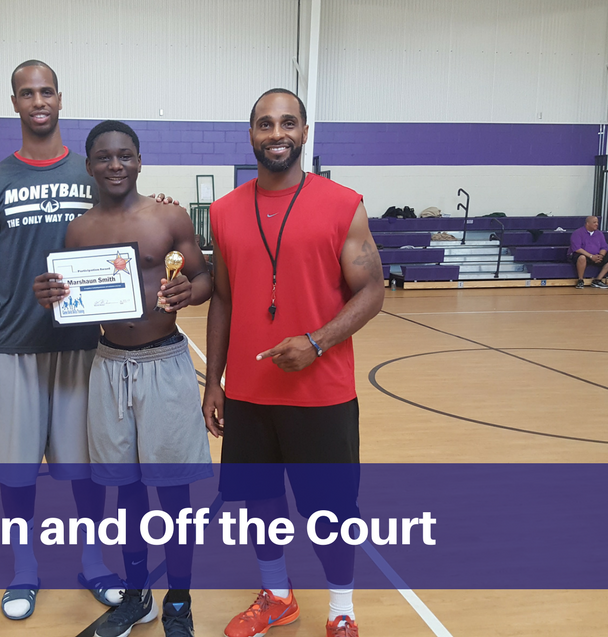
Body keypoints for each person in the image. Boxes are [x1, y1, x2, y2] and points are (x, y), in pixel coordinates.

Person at [0, 60, 175, 621]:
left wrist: (156, 207)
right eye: (26, 93)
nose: (38, 101)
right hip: (12, 347)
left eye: (46, 91)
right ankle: (24, 569)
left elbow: (132, 223)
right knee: (16, 474)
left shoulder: (93, 177)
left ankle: (92, 562)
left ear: (60, 98)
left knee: (87, 469)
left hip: (85, 348)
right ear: (14, 102)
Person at [203, 88, 385, 637]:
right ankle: (277, 597)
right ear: (251, 134)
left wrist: (317, 341)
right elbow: (224, 299)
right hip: (248, 393)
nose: (276, 133)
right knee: (260, 504)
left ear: (304, 132)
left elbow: (372, 291)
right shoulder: (223, 211)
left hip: (321, 392)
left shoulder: (343, 204)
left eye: (288, 123)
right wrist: (214, 383)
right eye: (265, 124)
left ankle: (341, 609)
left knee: (331, 511)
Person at [38, 120, 213, 637]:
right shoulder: (78, 231)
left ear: (139, 161)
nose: (115, 165)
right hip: (109, 365)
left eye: (125, 156)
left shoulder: (169, 215)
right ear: (89, 166)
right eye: (104, 157)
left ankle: (179, 601)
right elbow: (74, 300)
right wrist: (53, 298)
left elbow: (204, 277)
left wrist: (190, 293)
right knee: (127, 492)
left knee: (174, 495)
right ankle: (137, 596)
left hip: (165, 363)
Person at [567, 216, 608, 289]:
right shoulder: (577, 233)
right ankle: (580, 280)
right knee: (582, 257)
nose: (596, 224)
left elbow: (604, 247)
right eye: (594, 222)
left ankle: (598, 280)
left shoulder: (599, 234)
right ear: (587, 224)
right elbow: (577, 249)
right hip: (583, 255)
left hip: (596, 255)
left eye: (597, 222)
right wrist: (591, 256)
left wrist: (601, 256)